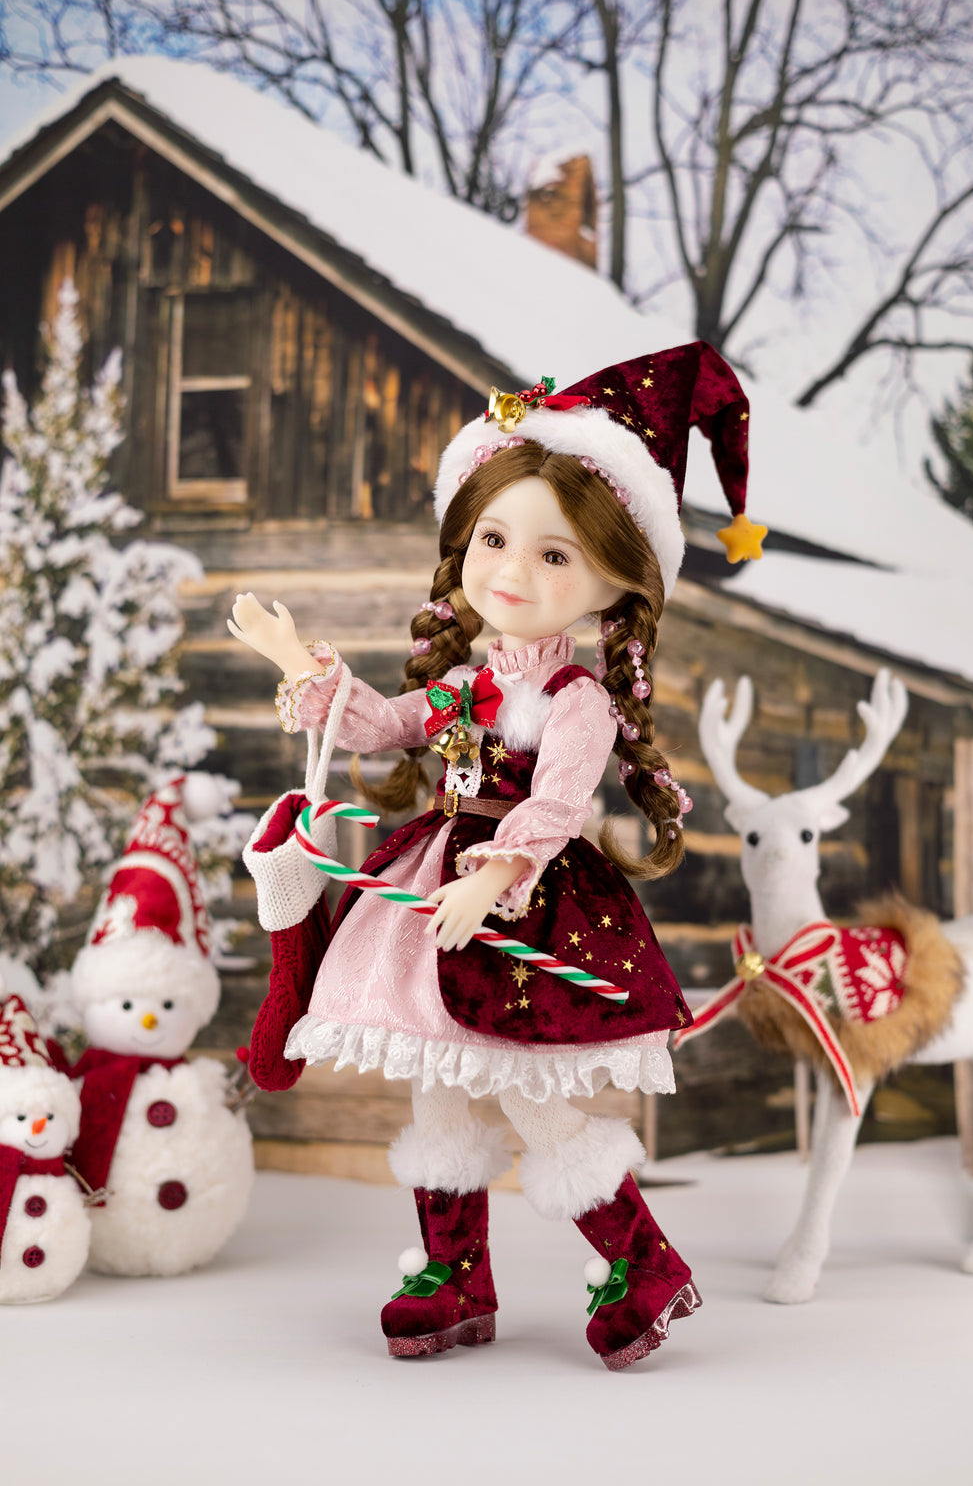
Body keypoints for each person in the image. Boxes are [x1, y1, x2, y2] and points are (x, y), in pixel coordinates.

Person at [229, 343, 764, 1370]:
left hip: (527, 904)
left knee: (533, 1095)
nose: (513, 573)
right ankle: (453, 1273)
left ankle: (643, 1263)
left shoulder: (576, 700)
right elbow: (383, 725)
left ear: (614, 583)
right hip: (433, 894)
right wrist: (304, 667)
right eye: (495, 540)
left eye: (556, 556)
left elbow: (558, 802)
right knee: (436, 1083)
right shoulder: (468, 686)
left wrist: (494, 874)